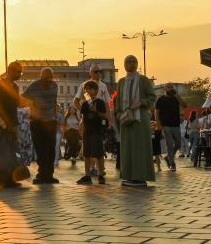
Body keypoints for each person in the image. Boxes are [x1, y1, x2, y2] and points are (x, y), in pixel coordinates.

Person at [116, 55, 156, 187]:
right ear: (124, 64)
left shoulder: (143, 80)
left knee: (140, 148)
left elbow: (152, 97)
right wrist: (118, 113)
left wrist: (140, 103)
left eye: (134, 61)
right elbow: (118, 100)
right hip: (125, 120)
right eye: (128, 61)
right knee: (127, 148)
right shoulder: (121, 82)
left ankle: (140, 178)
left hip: (140, 120)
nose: (131, 64)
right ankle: (129, 176)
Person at [23, 67, 60, 184]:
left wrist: (54, 115)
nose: (48, 80)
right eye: (46, 77)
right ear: (41, 77)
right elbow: (23, 98)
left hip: (50, 122)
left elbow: (54, 101)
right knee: (40, 150)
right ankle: (41, 175)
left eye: (50, 77)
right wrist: (33, 108)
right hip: (37, 122)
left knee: (51, 150)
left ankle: (49, 175)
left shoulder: (55, 86)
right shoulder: (33, 86)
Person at [77, 80, 110, 184]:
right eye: (86, 89)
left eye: (90, 88)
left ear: (96, 90)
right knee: (87, 154)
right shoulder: (85, 103)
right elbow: (83, 116)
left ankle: (101, 174)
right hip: (87, 132)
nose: (87, 91)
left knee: (99, 154)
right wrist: (81, 126)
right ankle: (87, 175)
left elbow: (105, 116)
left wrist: (96, 111)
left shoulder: (100, 102)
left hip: (97, 131)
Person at [154, 84, 186, 171]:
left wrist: (178, 96)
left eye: (172, 87)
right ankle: (172, 164)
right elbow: (156, 112)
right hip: (166, 125)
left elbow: (184, 105)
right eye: (169, 87)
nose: (171, 89)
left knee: (178, 144)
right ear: (165, 89)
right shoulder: (160, 99)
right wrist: (159, 124)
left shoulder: (176, 98)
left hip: (176, 125)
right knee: (170, 145)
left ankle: (168, 157)